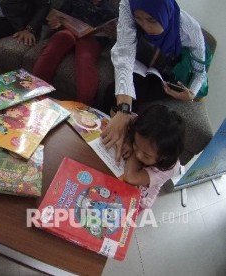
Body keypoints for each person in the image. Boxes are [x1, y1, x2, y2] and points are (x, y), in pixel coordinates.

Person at [101, 0, 206, 162]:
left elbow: (201, 73)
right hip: (138, 57)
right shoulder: (128, 4)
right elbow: (124, 52)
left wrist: (190, 93)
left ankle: (125, 144)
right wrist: (124, 109)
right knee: (113, 91)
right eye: (139, 19)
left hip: (165, 70)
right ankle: (97, 133)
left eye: (152, 20)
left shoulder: (190, 28)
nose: (145, 27)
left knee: (141, 92)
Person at [32, 0, 117, 106]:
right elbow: (55, 15)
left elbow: (114, 34)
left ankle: (84, 106)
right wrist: (55, 21)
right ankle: (36, 91)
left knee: (85, 57)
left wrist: (113, 33)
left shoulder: (109, 10)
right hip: (69, 31)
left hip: (92, 39)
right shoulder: (73, 2)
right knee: (59, 39)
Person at [121, 105, 184, 211]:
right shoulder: (141, 126)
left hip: (139, 199)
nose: (138, 155)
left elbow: (130, 177)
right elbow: (122, 119)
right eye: (136, 145)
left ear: (164, 156)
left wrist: (134, 147)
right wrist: (128, 139)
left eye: (146, 155)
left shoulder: (170, 168)